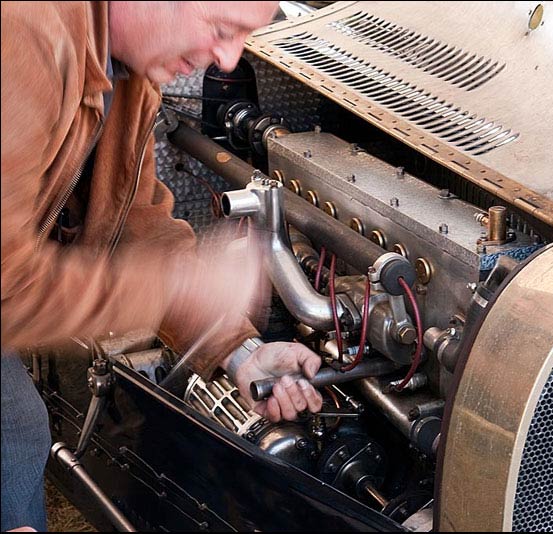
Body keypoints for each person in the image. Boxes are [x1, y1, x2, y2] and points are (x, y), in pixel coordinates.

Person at [1, 2, 323, 531]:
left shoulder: (123, 69)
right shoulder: (27, 32)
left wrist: (238, 351)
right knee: (14, 433)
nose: (227, 59)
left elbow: (136, 221)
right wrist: (182, 286)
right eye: (222, 29)